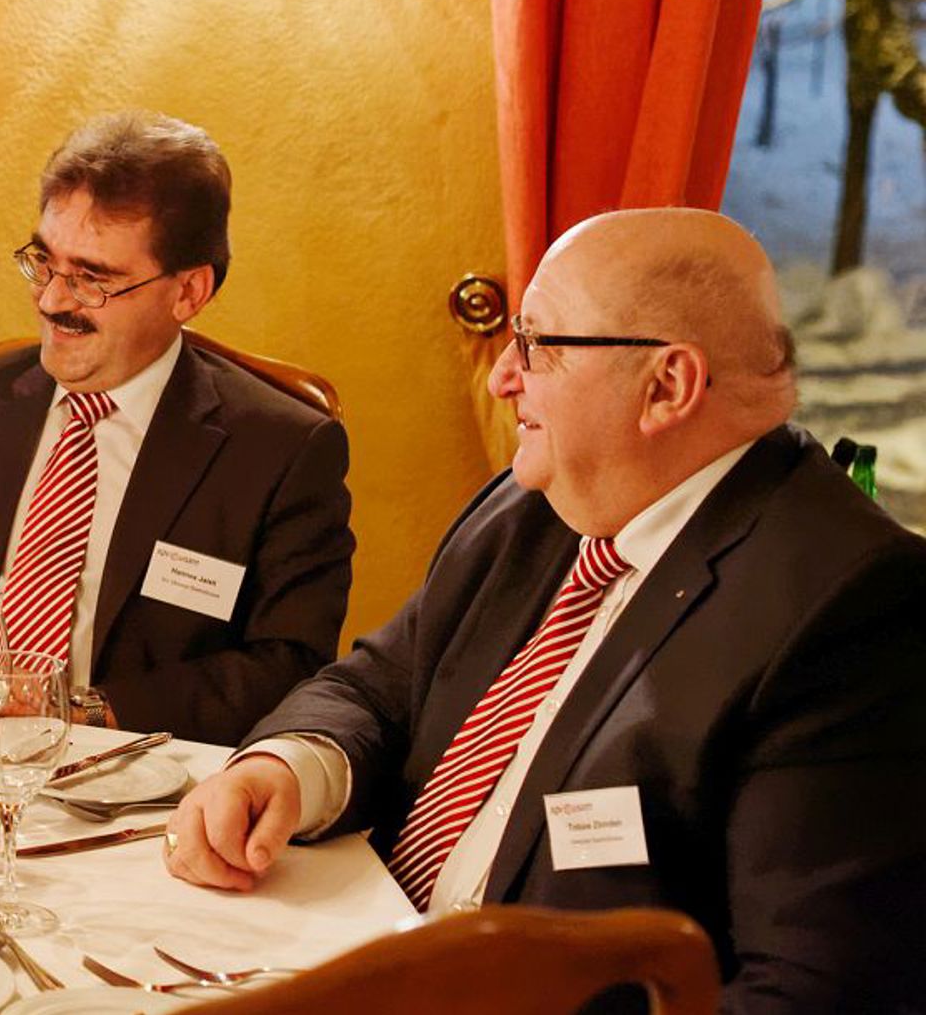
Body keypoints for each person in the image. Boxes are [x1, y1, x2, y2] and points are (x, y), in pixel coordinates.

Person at [163, 208, 926, 1013]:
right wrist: (288, 767)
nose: (502, 376)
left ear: (666, 385)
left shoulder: (850, 607)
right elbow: (380, 685)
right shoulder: (543, 501)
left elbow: (815, 992)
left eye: (538, 344)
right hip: (351, 954)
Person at [0, 112, 354, 744]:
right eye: (44, 262)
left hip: (128, 775)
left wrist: (79, 710)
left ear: (189, 292)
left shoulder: (280, 450)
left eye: (92, 279)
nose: (51, 301)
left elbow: (288, 666)